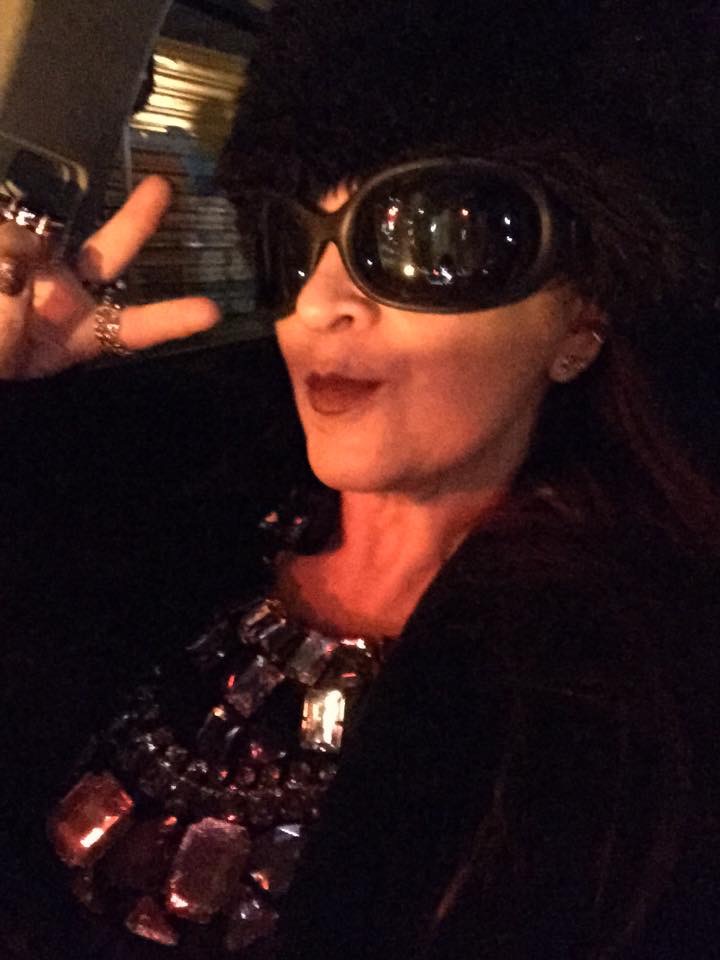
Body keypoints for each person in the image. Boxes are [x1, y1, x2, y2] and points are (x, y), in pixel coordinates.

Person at [1, 1, 719, 957]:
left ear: (581, 321)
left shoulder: (641, 709)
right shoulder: (136, 507)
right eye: (298, 243)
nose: (317, 305)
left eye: (431, 238)